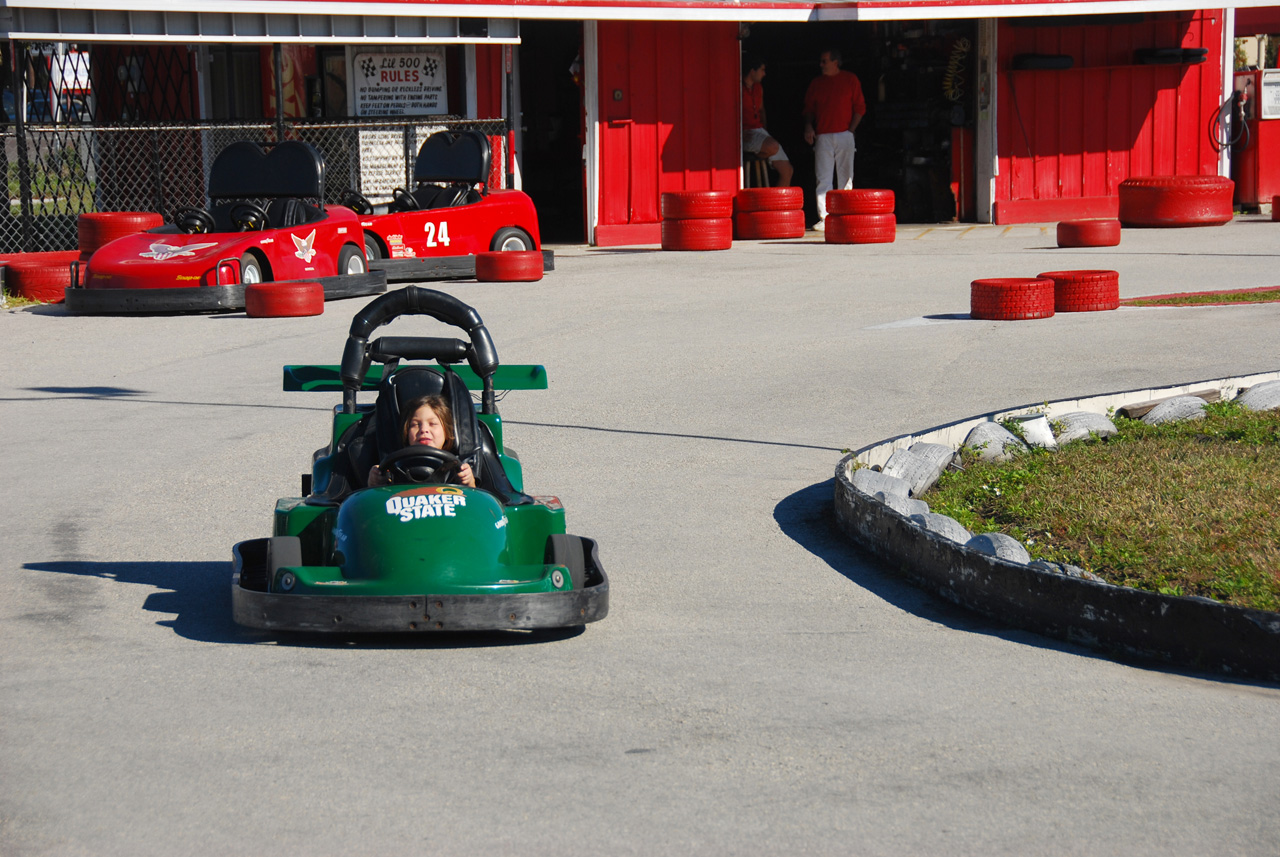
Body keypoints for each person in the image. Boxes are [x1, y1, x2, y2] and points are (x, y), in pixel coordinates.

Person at [802, 48, 867, 230]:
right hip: (823, 134)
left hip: (844, 134)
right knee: (823, 177)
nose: (821, 65)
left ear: (835, 62)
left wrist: (850, 130)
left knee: (846, 176)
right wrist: (809, 126)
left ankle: (844, 213)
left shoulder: (850, 79)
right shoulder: (817, 83)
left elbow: (860, 108)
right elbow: (808, 109)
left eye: (824, 61)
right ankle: (825, 217)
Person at [368, 394, 476, 488]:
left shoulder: (458, 469)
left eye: (432, 424)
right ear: (406, 432)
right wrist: (375, 482)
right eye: (415, 424)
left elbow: (476, 504)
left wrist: (469, 482)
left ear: (446, 432)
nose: (423, 430)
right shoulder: (391, 469)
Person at [741, 55, 793, 187]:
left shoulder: (758, 87)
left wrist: (765, 130)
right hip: (746, 132)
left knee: (787, 170)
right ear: (753, 71)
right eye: (762, 70)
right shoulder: (738, 87)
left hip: (759, 130)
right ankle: (760, 152)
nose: (764, 74)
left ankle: (777, 207)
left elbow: (761, 110)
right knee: (772, 146)